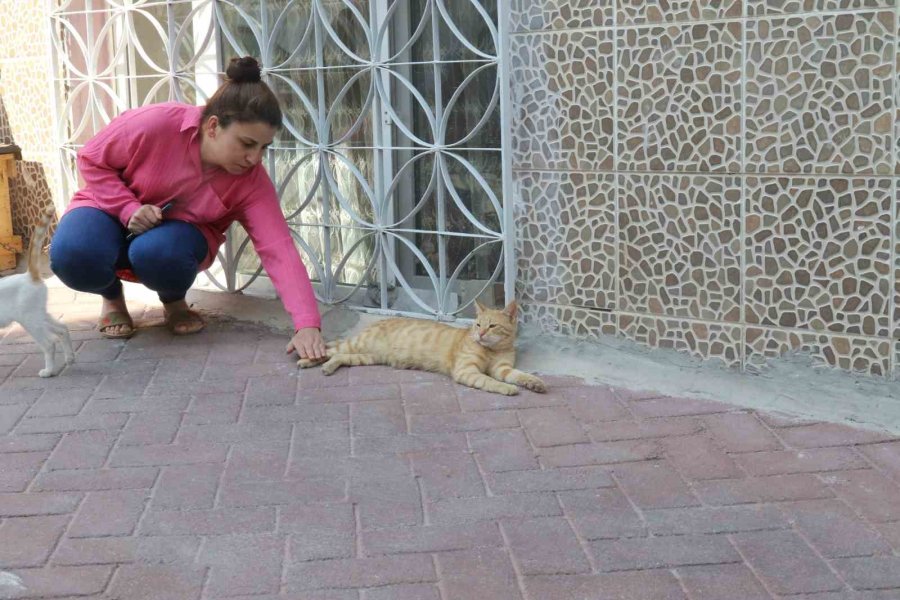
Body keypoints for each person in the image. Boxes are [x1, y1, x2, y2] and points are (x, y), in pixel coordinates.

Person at [50, 56, 327, 362]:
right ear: (212, 127)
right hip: (108, 210)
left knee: (157, 251)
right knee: (72, 253)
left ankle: (174, 300)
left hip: (173, 240)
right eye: (247, 143)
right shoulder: (158, 122)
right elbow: (91, 158)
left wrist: (307, 324)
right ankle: (112, 298)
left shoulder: (252, 182)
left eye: (263, 148)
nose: (254, 158)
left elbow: (278, 248)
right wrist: (128, 208)